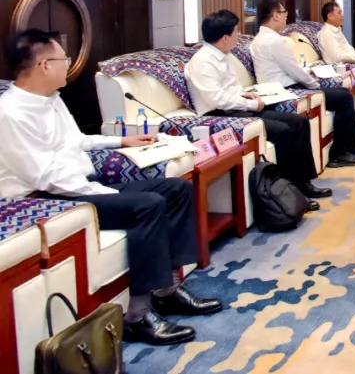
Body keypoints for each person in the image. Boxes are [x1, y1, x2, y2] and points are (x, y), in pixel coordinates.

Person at [0, 29, 222, 346]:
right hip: (49, 198)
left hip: (79, 185)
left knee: (176, 190)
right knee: (147, 205)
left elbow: (76, 141)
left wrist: (121, 141)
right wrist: (107, 194)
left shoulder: (51, 99)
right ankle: (138, 315)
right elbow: (45, 177)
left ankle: (168, 289)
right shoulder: (10, 113)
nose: (68, 65)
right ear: (44, 65)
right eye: (63, 59)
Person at [186, 10, 332, 199]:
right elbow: (217, 99)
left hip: (236, 108)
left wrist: (245, 94)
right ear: (224, 38)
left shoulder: (222, 55)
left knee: (299, 122)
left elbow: (230, 89)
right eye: (236, 31)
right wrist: (252, 105)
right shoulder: (203, 61)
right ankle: (288, 193)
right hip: (220, 115)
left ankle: (303, 183)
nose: (238, 35)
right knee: (283, 131)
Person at [250, 0, 355, 165]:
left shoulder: (258, 39)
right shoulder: (275, 41)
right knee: (344, 98)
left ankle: (353, 144)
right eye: (284, 13)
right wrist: (315, 85)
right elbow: (295, 72)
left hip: (276, 87)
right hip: (286, 89)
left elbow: (289, 69)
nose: (286, 16)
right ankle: (339, 153)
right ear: (275, 15)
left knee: (342, 93)